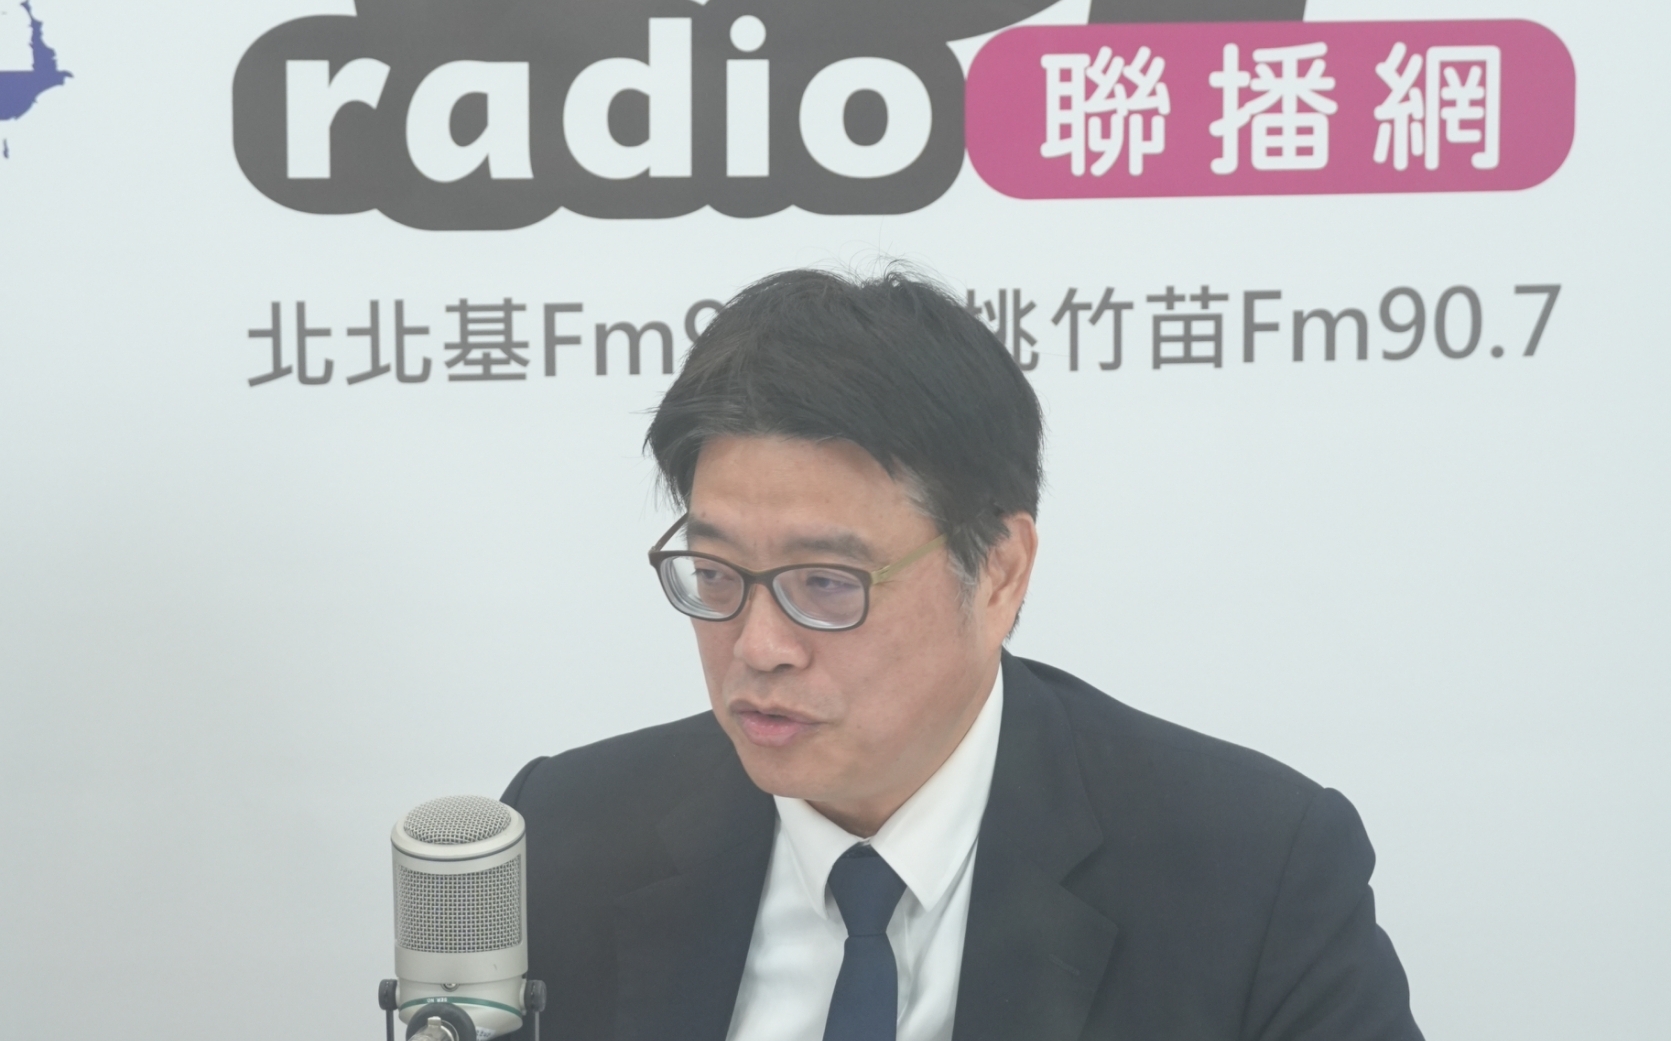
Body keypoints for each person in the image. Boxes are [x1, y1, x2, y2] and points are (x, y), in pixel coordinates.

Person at [500, 268, 1422, 1041]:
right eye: (714, 572)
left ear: (999, 572)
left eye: (826, 583)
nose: (759, 646)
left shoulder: (1250, 872)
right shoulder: (565, 839)